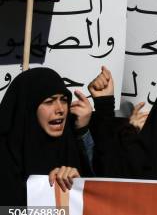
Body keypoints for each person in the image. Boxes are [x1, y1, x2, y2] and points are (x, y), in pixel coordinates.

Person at [0, 68, 91, 206]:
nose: (60, 109)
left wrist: (77, 186)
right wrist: (47, 197)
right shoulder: (5, 155)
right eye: (49, 101)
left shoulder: (70, 145)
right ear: (29, 108)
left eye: (64, 100)